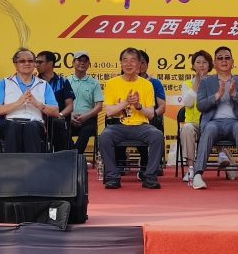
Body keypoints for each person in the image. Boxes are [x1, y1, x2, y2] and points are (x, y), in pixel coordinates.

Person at [97, 47, 163, 190]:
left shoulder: (147, 85)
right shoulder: (112, 83)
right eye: (125, 60)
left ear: (139, 64)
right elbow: (109, 111)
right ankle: (112, 177)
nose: (128, 64)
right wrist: (126, 102)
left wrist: (138, 106)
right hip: (118, 126)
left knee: (157, 135)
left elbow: (151, 114)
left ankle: (150, 176)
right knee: (104, 137)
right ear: (120, 64)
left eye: (133, 60)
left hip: (141, 126)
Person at [191, 46, 238, 190]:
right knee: (209, 129)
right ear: (215, 63)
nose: (224, 61)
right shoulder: (206, 82)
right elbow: (200, 106)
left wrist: (235, 95)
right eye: (220, 58)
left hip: (235, 122)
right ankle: (198, 175)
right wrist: (217, 96)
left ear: (232, 62)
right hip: (214, 122)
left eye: (227, 58)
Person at [0, 48, 60, 153]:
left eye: (30, 61)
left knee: (31, 127)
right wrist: (18, 103)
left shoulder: (44, 84)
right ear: (15, 64)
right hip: (11, 122)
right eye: (22, 61)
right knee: (14, 126)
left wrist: (38, 104)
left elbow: (55, 112)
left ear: (34, 64)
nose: (27, 63)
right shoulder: (4, 83)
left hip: (35, 123)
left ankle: (32, 163)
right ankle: (12, 163)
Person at [179, 50, 212, 182]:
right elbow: (188, 103)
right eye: (198, 62)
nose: (201, 65)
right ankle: (191, 168)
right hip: (193, 124)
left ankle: (225, 158)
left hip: (211, 123)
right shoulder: (187, 84)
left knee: (217, 126)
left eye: (205, 62)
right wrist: (197, 82)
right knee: (186, 128)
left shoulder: (215, 82)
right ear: (193, 65)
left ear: (210, 65)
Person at [35, 51, 75, 152]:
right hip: (38, 118)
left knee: (58, 123)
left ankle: (60, 157)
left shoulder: (62, 81)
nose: (36, 65)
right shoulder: (34, 81)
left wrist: (60, 115)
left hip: (57, 118)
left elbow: (70, 106)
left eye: (40, 62)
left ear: (50, 63)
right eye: (36, 62)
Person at [67, 51, 104, 155]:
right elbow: (60, 103)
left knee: (86, 130)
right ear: (73, 63)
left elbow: (99, 106)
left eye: (85, 61)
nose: (82, 63)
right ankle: (75, 155)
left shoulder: (94, 83)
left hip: (88, 120)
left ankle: (75, 156)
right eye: (79, 60)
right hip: (69, 118)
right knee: (61, 128)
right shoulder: (66, 81)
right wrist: (70, 115)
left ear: (89, 65)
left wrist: (86, 116)